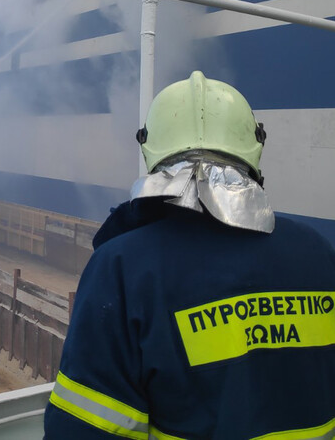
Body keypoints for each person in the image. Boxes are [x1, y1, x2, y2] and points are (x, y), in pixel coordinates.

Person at [44, 71, 335, 439]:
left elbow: (85, 429)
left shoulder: (122, 268)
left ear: (150, 149)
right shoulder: (318, 253)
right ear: (255, 144)